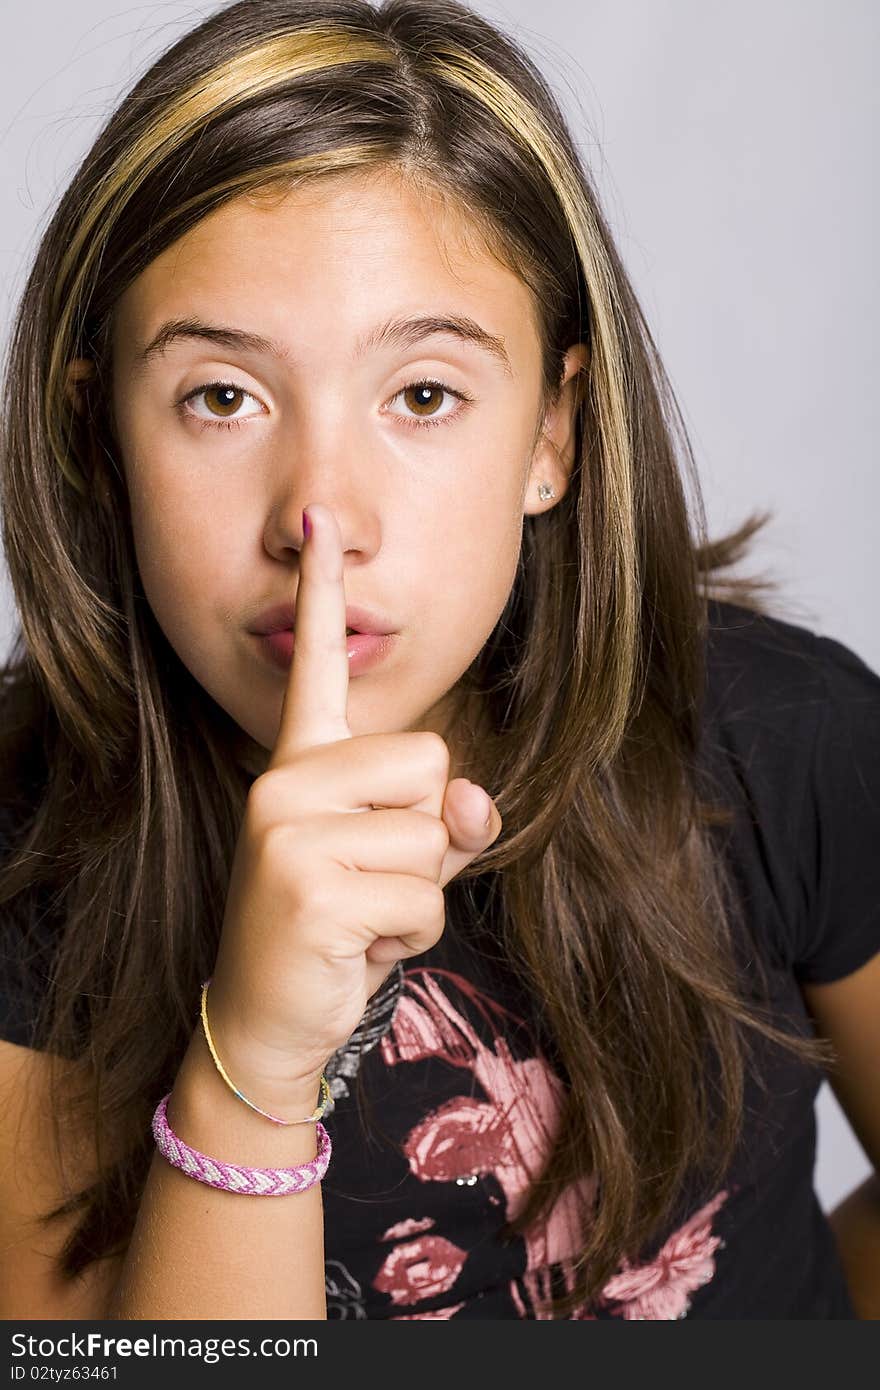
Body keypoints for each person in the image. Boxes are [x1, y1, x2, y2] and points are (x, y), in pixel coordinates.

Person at [0, 0, 877, 1323]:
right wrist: (258, 1060)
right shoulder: (25, 839)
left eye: (423, 395)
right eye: (220, 398)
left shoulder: (786, 737)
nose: (323, 519)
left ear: (552, 435)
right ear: (98, 441)